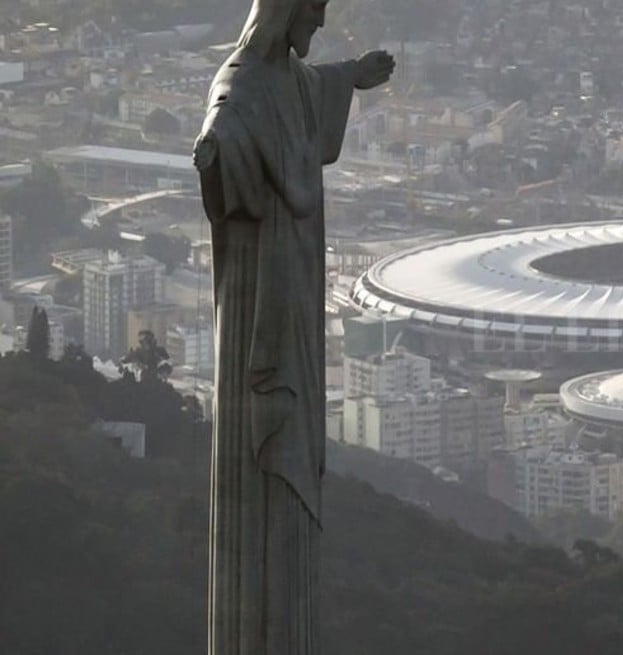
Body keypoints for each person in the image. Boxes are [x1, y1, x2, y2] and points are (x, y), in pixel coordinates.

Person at [193, 0, 393, 652]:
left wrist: (351, 75)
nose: (320, 24)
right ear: (285, 11)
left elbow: (307, 89)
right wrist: (214, 150)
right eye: (314, 11)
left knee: (294, 437)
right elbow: (226, 120)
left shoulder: (290, 79)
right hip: (260, 291)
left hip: (297, 283)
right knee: (262, 434)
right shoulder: (243, 82)